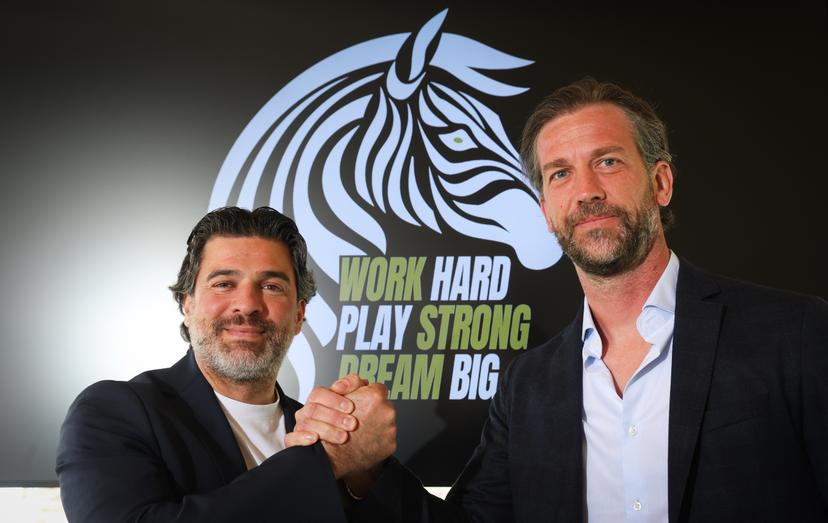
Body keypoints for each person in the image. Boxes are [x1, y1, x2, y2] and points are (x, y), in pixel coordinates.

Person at [291, 78, 828, 521]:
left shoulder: (795, 333)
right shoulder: (527, 385)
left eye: (608, 162)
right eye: (561, 174)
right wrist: (365, 470)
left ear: (661, 183)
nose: (586, 190)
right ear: (547, 212)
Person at [56, 206, 396, 522]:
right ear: (188, 306)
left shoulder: (332, 431)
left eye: (271, 286)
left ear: (299, 314)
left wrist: (363, 472)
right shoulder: (113, 412)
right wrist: (327, 462)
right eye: (223, 284)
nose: (247, 305)